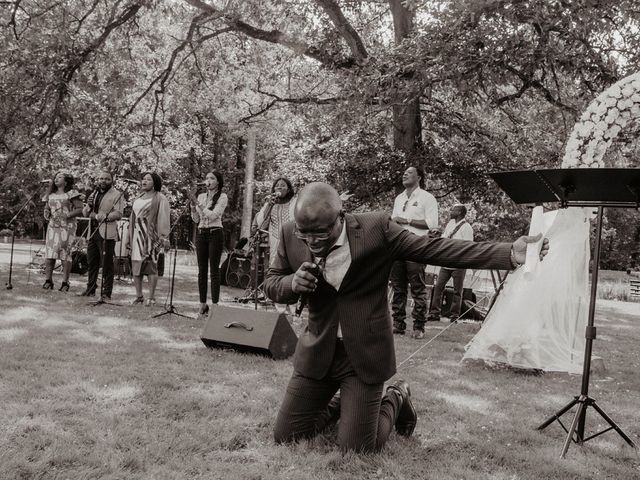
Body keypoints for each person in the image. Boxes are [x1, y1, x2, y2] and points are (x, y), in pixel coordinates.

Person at [264, 182, 548, 453]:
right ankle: (346, 404)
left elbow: (435, 249)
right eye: (305, 234)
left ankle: (397, 395)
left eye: (320, 233)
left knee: (357, 447)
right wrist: (291, 284)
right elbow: (272, 282)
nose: (312, 241)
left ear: (340, 216)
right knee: (286, 436)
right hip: (319, 351)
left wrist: (509, 252)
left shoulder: (377, 229)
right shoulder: (291, 234)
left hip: (363, 355)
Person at [390, 166, 438, 339]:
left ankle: (418, 326)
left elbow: (432, 224)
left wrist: (407, 220)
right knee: (398, 288)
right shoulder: (399, 198)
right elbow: (394, 221)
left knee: (417, 288)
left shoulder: (427, 198)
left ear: (419, 177)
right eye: (403, 172)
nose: (404, 174)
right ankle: (398, 324)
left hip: (416, 246)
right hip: (398, 247)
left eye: (409, 173)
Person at [79, 169, 124, 299]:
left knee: (106, 264)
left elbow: (118, 214)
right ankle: (90, 289)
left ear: (112, 181)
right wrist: (88, 206)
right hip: (92, 232)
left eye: (107, 179)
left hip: (107, 232)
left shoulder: (117, 194)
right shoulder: (94, 193)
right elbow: (85, 213)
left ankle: (106, 293)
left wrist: (99, 216)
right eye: (101, 179)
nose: (103, 181)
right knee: (91, 262)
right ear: (98, 180)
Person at [127, 172, 171, 306]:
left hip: (151, 234)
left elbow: (163, 217)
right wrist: (129, 237)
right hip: (136, 233)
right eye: (144, 179)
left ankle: (151, 297)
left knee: (150, 265)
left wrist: (163, 236)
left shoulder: (160, 198)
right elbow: (132, 217)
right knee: (136, 264)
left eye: (149, 179)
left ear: (155, 183)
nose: (144, 181)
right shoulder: (139, 197)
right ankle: (139, 296)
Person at [189, 171, 228, 318]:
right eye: (207, 178)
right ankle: (202, 304)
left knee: (214, 270)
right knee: (202, 271)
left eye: (212, 178)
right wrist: (193, 207)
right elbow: (196, 219)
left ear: (218, 182)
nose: (208, 180)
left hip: (215, 233)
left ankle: (215, 305)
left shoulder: (222, 197)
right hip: (201, 233)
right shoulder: (201, 196)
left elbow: (212, 215)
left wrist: (198, 203)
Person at [427, 204, 474, 322]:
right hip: (446, 261)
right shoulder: (450, 224)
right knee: (438, 287)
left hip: (458, 262)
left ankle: (454, 316)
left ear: (459, 212)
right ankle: (434, 313)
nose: (450, 211)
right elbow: (444, 238)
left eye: (453, 209)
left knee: (457, 291)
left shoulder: (467, 227)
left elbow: (468, 245)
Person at [42, 171, 84, 291]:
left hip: (67, 227)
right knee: (50, 254)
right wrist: (46, 213)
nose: (56, 178)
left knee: (65, 254)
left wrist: (67, 215)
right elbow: (47, 208)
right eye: (55, 177)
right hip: (52, 227)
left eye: (60, 177)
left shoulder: (71, 193)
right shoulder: (50, 194)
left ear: (66, 182)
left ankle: (65, 283)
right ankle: (48, 281)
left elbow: (80, 209)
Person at [252, 177, 296, 265]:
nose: (279, 187)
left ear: (288, 190)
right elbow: (260, 222)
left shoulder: (294, 203)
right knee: (275, 265)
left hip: (292, 240)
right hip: (274, 241)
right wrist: (269, 204)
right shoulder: (269, 203)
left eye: (283, 186)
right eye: (277, 186)